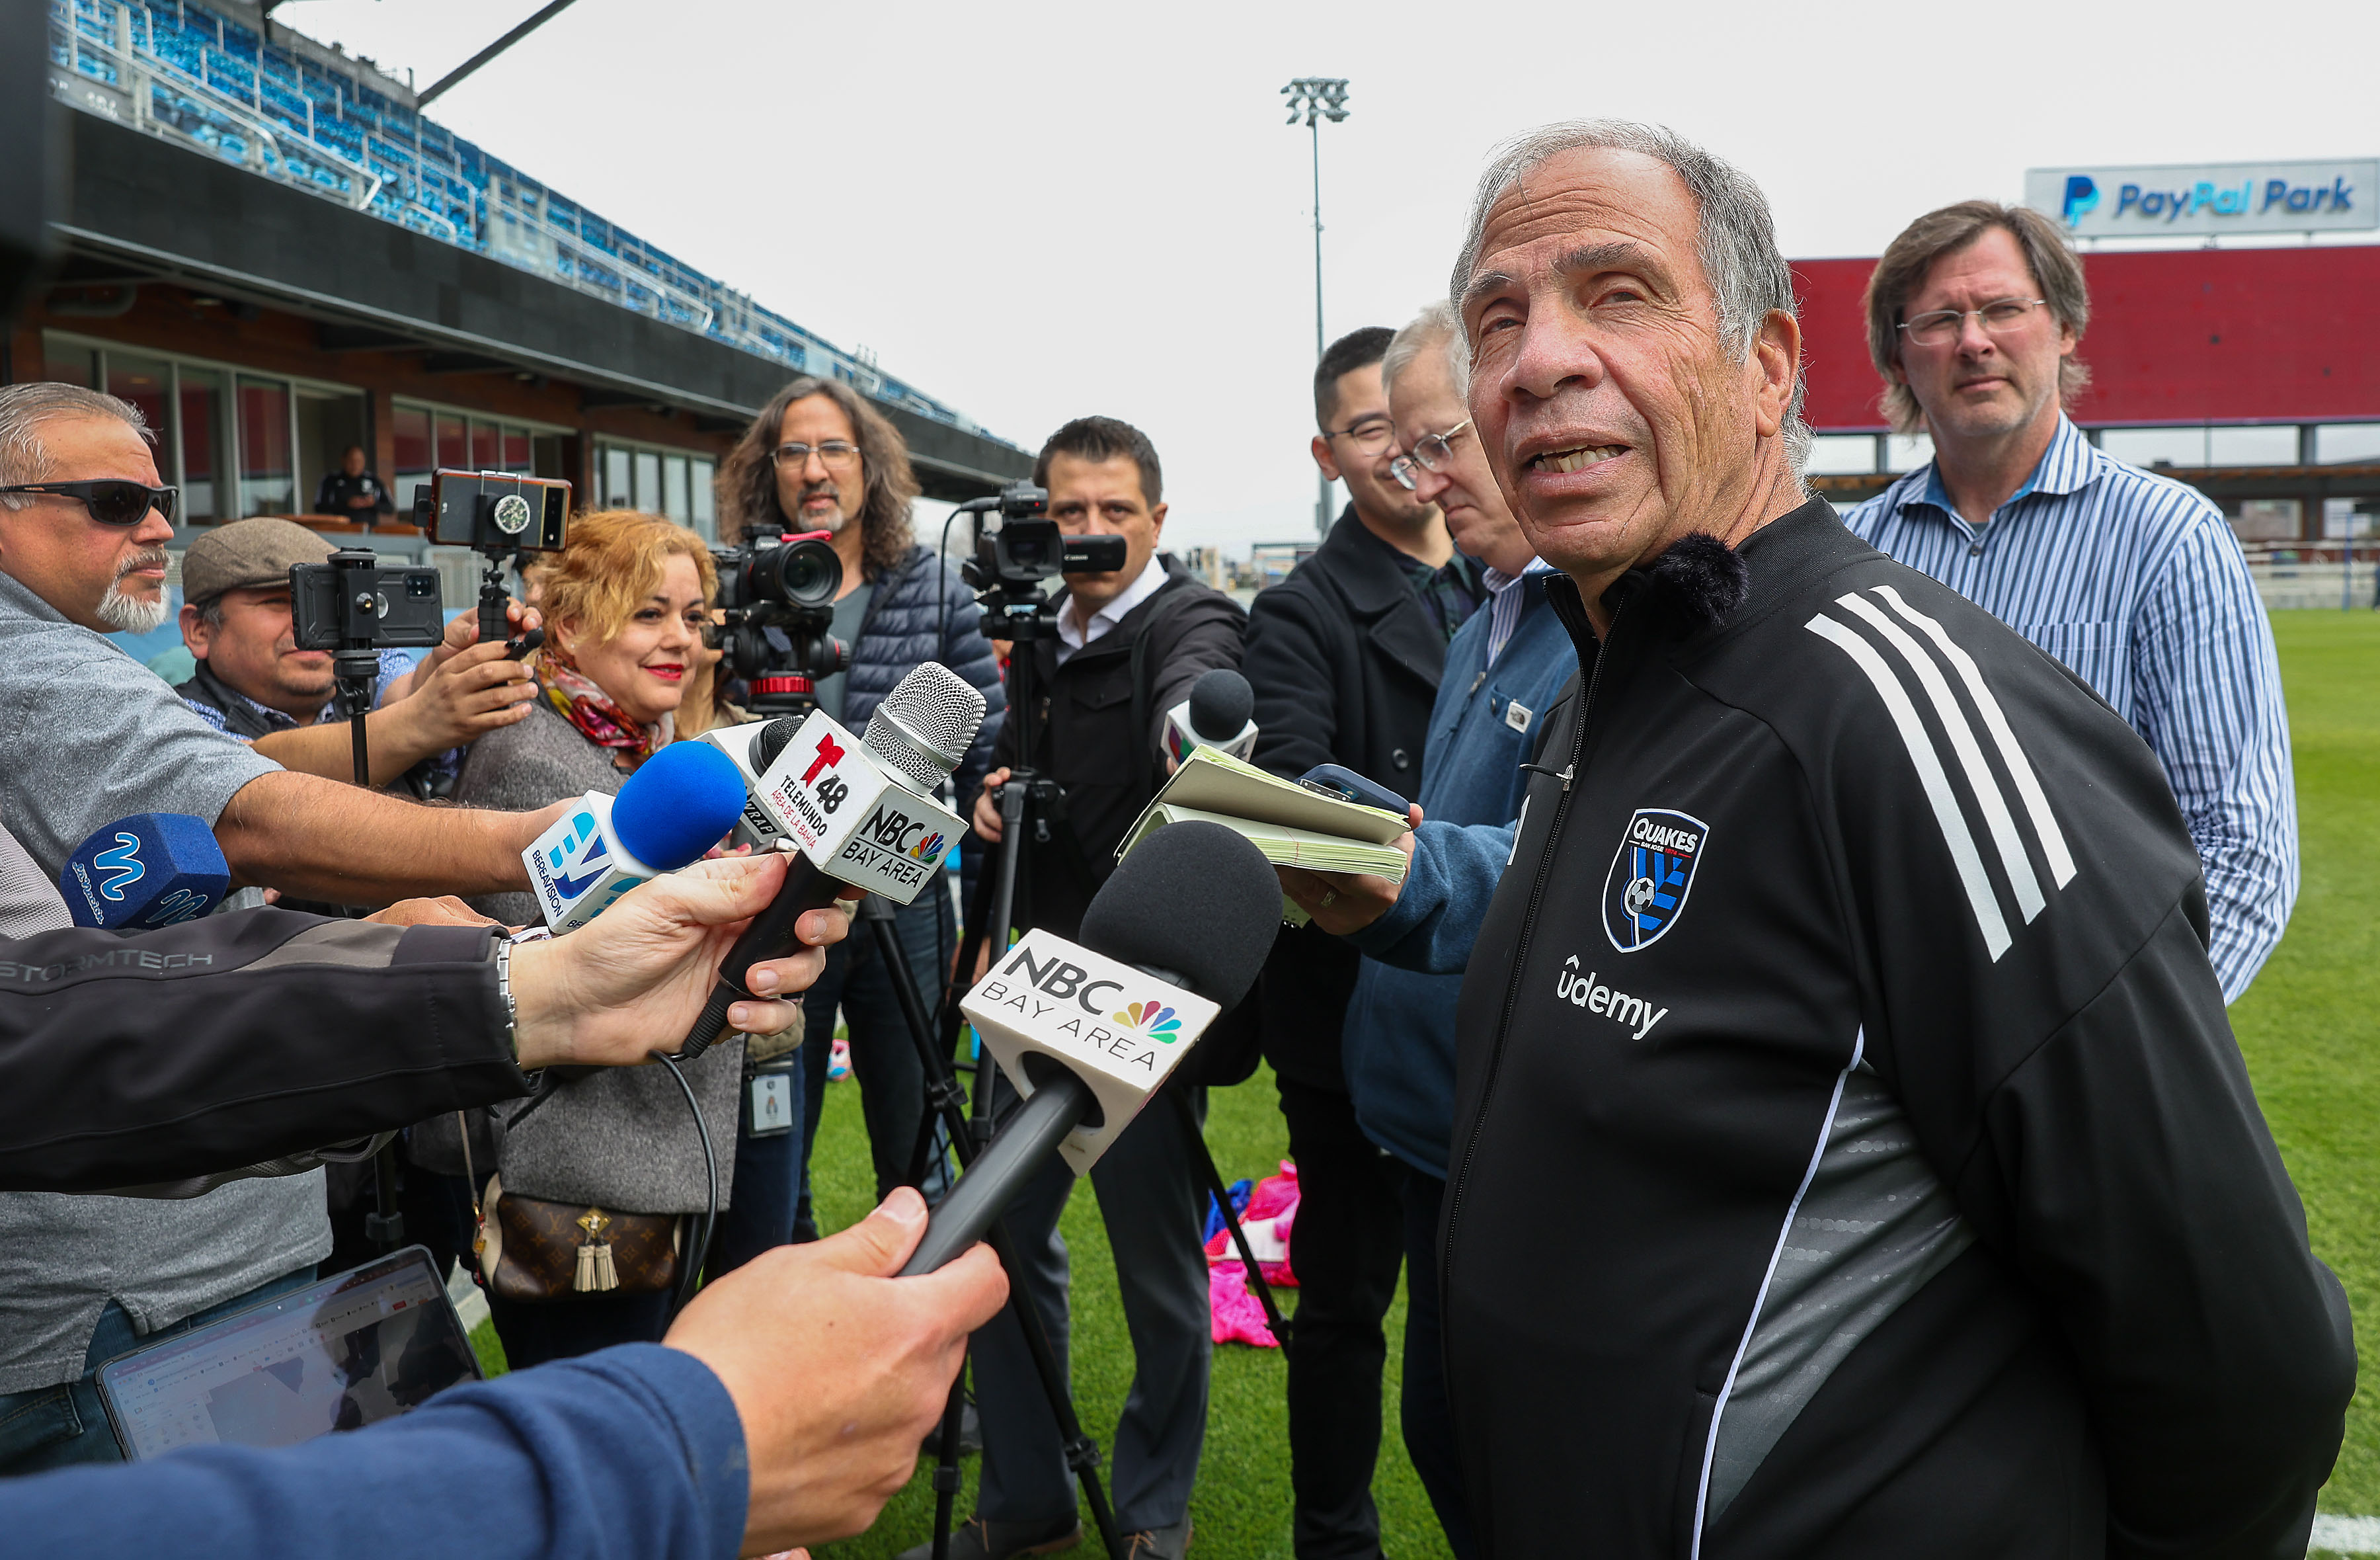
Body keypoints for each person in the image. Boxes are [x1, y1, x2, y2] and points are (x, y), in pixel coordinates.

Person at [1419, 117, 2350, 1555]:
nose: (1539, 358)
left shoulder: (1893, 708)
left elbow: (2245, 1356)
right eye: (1498, 318)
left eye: (1617, 295)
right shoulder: (1604, 689)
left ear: (1769, 367)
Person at [1273, 302, 1569, 1560]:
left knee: (1519, 1465)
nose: (1425, 477)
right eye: (1399, 450)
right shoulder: (1477, 618)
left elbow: (1579, 860)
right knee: (1447, 1435)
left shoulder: (1599, 620)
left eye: (1440, 441)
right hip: (1418, 1118)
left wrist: (1401, 858)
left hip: (1515, 1133)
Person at [1841, 202, 2295, 1001]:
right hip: (1890, 1052)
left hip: (2091, 1045)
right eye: (1939, 319)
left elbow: (2241, 847)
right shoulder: (1848, 557)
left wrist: (2119, 1046)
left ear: (2066, 327)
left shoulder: (2168, 537)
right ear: (1896, 357)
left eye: (2004, 308)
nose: (1974, 340)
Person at [939, 417, 1245, 1560]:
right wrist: (997, 794)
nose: (1091, 533)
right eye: (1068, 511)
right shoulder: (1034, 633)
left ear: (1158, 519)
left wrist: (1197, 727)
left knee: (1159, 1271)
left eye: (1115, 511)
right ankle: (1027, 1503)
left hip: (1143, 995)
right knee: (998, 1249)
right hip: (1034, 980)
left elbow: (1200, 689)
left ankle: (1153, 1510)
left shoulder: (1189, 615)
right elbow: (1023, 774)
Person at [1238, 326, 1478, 1560]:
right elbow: (1287, 788)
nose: (1406, 452)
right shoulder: (1302, 607)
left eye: (1423, 424)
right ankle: (1334, 1533)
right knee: (1345, 1300)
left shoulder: (1501, 578)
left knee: (1477, 1308)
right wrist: (1424, 845)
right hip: (1348, 1011)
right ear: (1330, 453)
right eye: (1373, 427)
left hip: (1484, 1013)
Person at [0, 382, 569, 903]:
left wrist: (443, 674)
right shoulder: (42, 668)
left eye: (161, 502)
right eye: (118, 502)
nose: (161, 530)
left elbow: (396, 687)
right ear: (198, 629)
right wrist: (540, 841)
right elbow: (246, 799)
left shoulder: (364, 668)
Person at [442, 509, 743, 1368]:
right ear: (570, 626)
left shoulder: (639, 743)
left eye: (693, 615)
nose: (679, 638)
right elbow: (541, 976)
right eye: (650, 613)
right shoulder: (537, 756)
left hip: (641, 1154)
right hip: (573, 1177)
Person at [715, 376, 1005, 1241]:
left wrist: (990, 915)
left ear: (868, 466)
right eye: (794, 448)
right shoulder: (738, 589)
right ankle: (795, 1325)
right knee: (774, 1138)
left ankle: (935, 1350)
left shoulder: (934, 585)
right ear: (767, 470)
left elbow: (988, 753)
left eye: (834, 447)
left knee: (915, 1133)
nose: (815, 468)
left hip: (900, 898)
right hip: (773, 889)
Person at [175, 515, 538, 789]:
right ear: (199, 630)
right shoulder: (174, 722)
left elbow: (405, 691)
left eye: (330, 600)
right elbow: (245, 773)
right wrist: (419, 721)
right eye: (277, 602)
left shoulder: (366, 663)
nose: (309, 622)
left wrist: (454, 661)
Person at [312, 443, 395, 525]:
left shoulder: (374, 480)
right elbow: (319, 507)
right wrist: (346, 504)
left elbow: (390, 508)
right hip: (340, 531)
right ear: (343, 460)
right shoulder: (330, 480)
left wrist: (373, 504)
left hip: (369, 532)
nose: (355, 465)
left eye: (359, 461)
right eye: (351, 460)